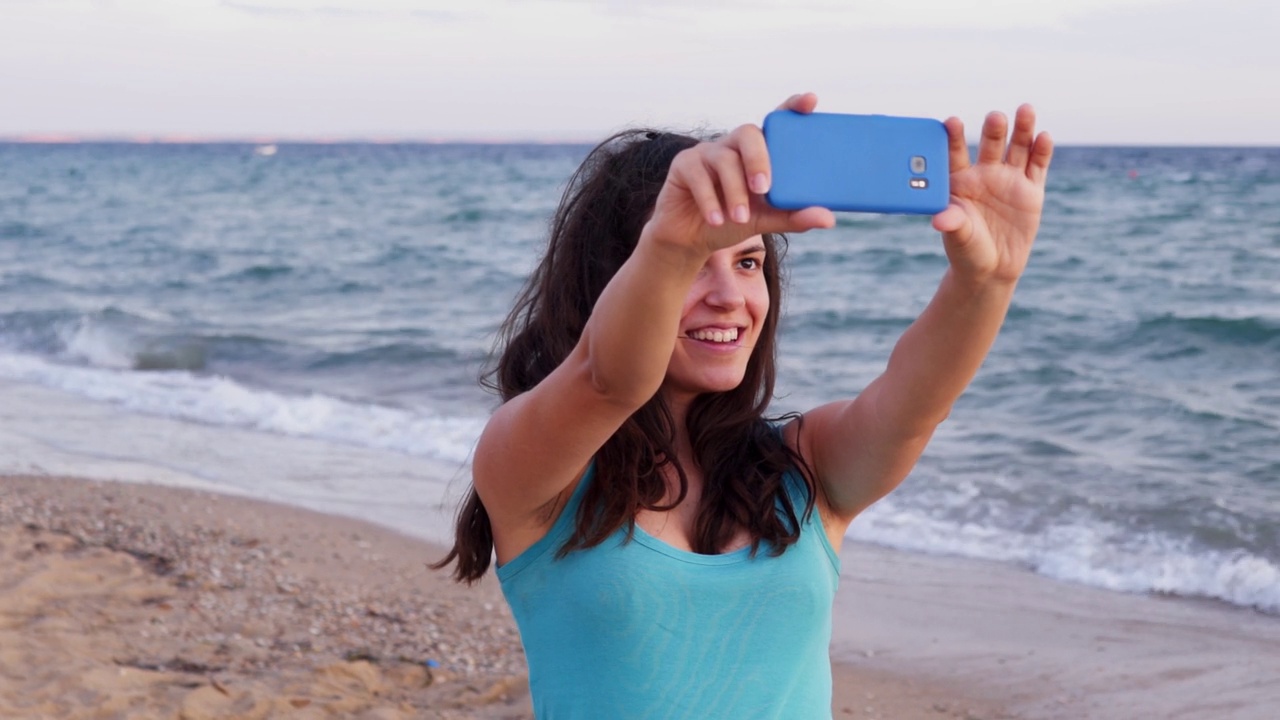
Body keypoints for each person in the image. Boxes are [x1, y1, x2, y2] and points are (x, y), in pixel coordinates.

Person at [434, 92, 1054, 718]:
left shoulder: (805, 468)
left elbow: (914, 406)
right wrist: (670, 243)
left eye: (749, 261)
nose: (730, 297)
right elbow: (608, 380)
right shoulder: (535, 473)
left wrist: (986, 282)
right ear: (613, 281)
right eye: (697, 264)